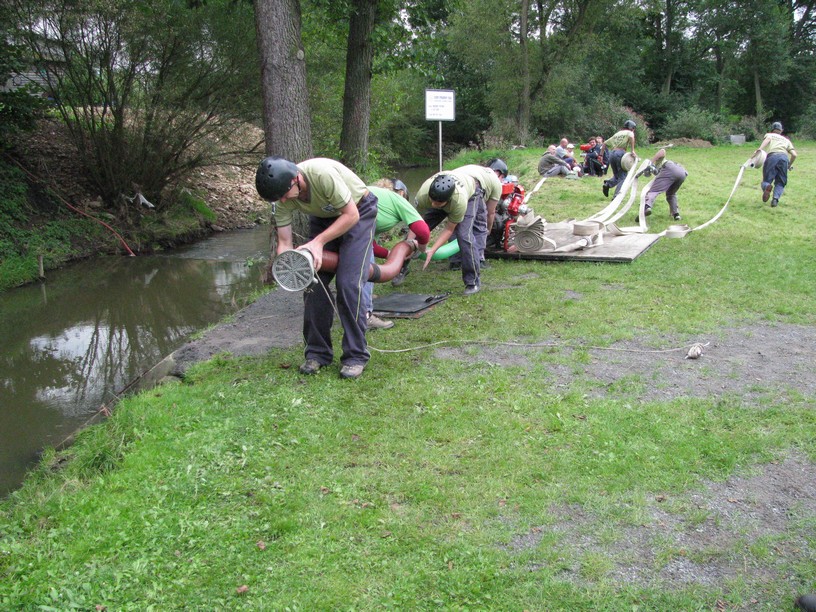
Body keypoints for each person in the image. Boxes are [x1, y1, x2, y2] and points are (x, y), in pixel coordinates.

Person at [255, 156, 376, 380]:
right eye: (277, 198)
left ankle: (355, 356)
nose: (282, 201)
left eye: (284, 195)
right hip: (323, 217)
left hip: (357, 212)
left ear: (296, 179)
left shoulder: (321, 174)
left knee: (349, 282)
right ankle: (318, 353)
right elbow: (284, 242)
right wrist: (289, 268)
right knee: (312, 283)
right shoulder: (281, 197)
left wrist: (318, 243)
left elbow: (351, 215)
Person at [362, 185, 430, 317]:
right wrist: (422, 248)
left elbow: (372, 246)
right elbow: (423, 231)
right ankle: (366, 314)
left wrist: (390, 255)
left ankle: (363, 298)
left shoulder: (378, 198)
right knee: (364, 266)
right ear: (402, 193)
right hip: (352, 219)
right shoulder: (397, 199)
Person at [415, 171, 485, 295]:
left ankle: (472, 281)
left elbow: (449, 229)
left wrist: (432, 250)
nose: (433, 205)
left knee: (464, 235)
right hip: (446, 195)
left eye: (438, 204)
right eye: (432, 201)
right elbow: (415, 222)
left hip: (470, 194)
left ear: (447, 201)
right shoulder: (423, 195)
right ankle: (401, 268)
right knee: (418, 230)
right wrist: (413, 241)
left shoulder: (459, 201)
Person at [636, 148, 687, 222]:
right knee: (671, 194)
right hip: (682, 173)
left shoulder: (657, 162)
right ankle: (676, 214)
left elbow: (662, 151)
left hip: (670, 168)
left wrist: (651, 162)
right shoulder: (657, 171)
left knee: (653, 191)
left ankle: (647, 207)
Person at [755, 121, 797, 208]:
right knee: (781, 182)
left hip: (772, 157)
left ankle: (767, 187)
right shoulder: (786, 140)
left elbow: (767, 140)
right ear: (781, 130)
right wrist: (789, 165)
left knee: (766, 180)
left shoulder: (769, 135)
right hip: (784, 158)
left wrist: (759, 150)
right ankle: (775, 199)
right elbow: (794, 154)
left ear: (772, 129)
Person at [601, 120, 637, 198]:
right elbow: (631, 136)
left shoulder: (617, 133)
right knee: (623, 176)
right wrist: (632, 150)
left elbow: (604, 143)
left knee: (617, 175)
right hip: (620, 153)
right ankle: (616, 196)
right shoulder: (629, 132)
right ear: (632, 128)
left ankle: (608, 184)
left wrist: (600, 155)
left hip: (612, 153)